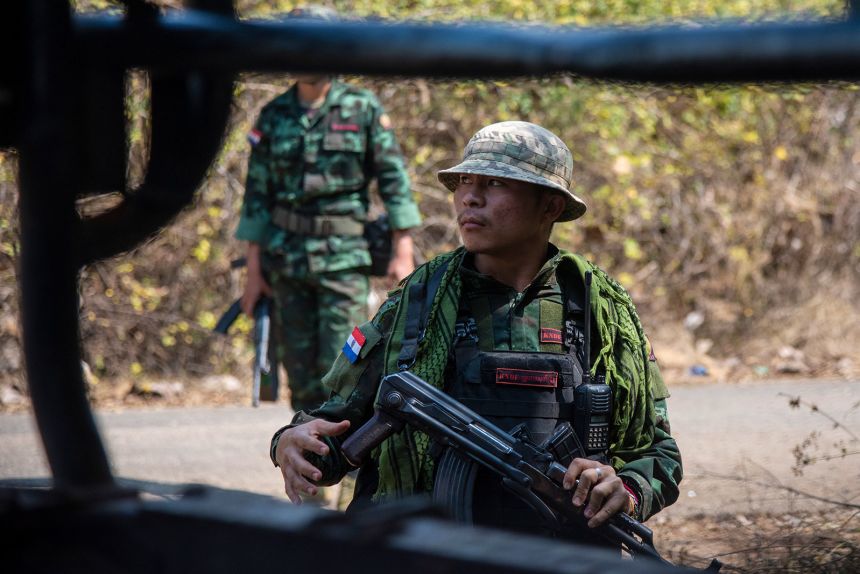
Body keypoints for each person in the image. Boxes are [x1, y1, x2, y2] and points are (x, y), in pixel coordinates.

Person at [269, 121, 682, 540]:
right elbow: (335, 436)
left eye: (496, 183)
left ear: (550, 206)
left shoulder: (601, 313)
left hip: (560, 555)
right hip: (426, 555)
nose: (469, 197)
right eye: (465, 180)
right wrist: (292, 443)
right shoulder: (419, 302)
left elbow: (657, 453)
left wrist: (625, 491)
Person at [235, 6, 421, 412]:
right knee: (300, 379)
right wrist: (253, 271)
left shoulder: (362, 109)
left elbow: (394, 182)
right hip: (286, 265)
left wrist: (401, 250)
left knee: (347, 371)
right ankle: (309, 473)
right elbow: (256, 197)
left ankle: (351, 471)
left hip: (343, 262)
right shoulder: (274, 115)